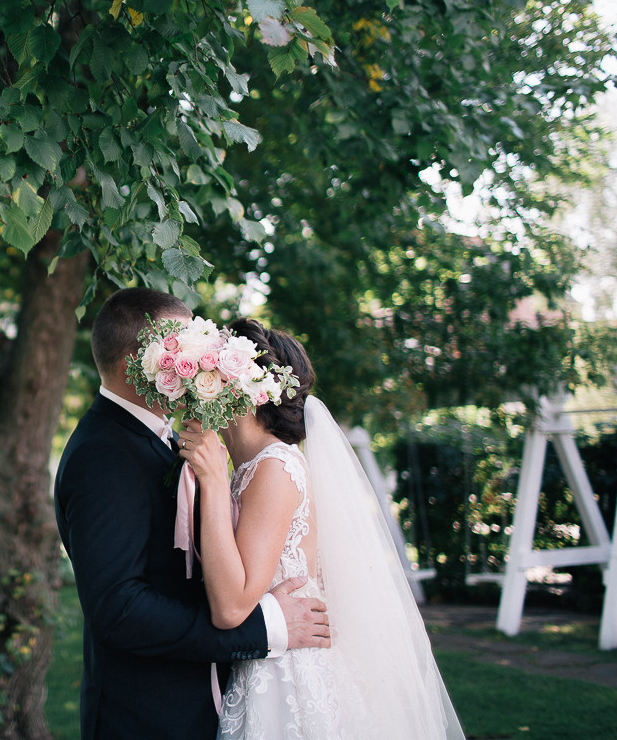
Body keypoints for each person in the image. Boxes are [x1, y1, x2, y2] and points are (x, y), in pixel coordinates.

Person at [54, 289, 331, 740]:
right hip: (146, 718)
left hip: (203, 707)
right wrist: (266, 627)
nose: (196, 361)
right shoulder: (103, 456)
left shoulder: (161, 442)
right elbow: (118, 609)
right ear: (133, 365)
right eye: (179, 349)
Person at [177, 318, 465, 740]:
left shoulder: (274, 468)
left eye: (211, 373)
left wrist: (215, 483)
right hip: (264, 658)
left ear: (242, 386)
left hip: (283, 678)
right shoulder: (249, 469)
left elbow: (231, 607)